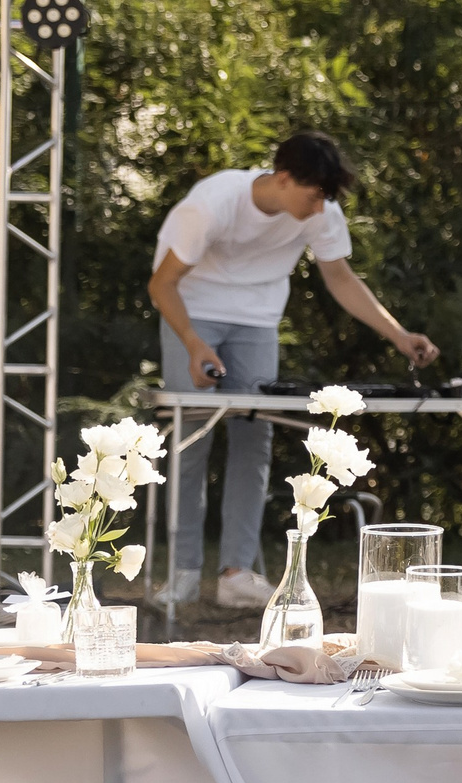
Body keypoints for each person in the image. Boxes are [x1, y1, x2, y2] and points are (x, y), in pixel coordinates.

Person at [147, 131, 437, 607]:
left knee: (254, 437)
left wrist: (399, 335)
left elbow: (340, 278)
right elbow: (162, 285)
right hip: (191, 309)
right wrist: (193, 342)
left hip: (258, 321)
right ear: (283, 178)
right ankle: (182, 575)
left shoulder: (320, 211)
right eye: (314, 195)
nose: (321, 208)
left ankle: (236, 575)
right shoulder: (213, 203)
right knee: (191, 436)